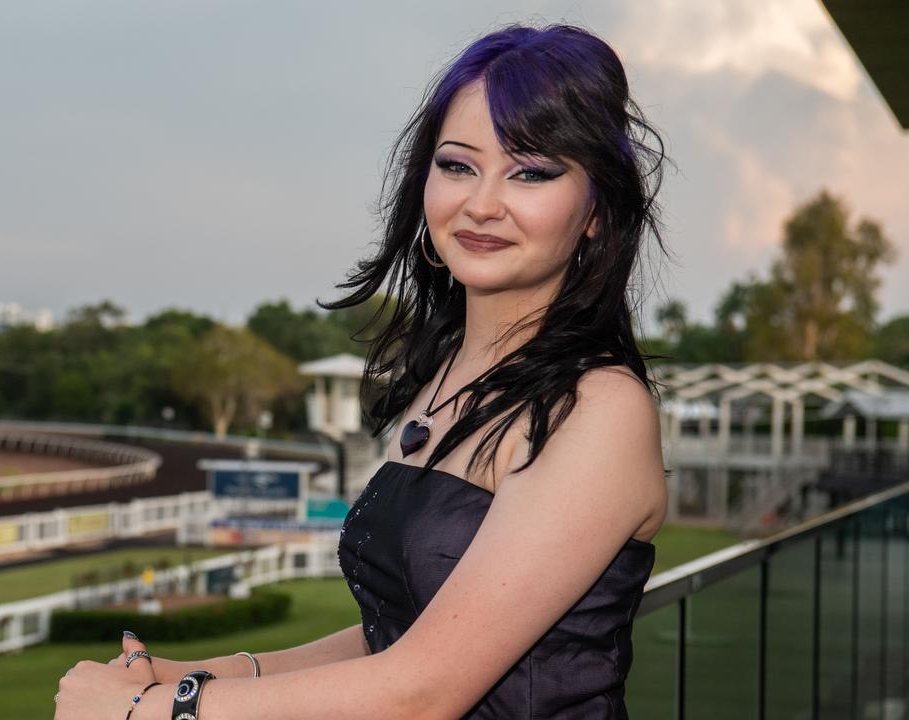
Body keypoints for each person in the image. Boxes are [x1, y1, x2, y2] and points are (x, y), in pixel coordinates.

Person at [54, 20, 670, 719]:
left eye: (531, 172)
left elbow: (423, 690)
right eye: (458, 164)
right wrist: (201, 673)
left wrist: (159, 713)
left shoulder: (595, 408)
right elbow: (402, 635)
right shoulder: (445, 378)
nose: (481, 203)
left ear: (597, 211)